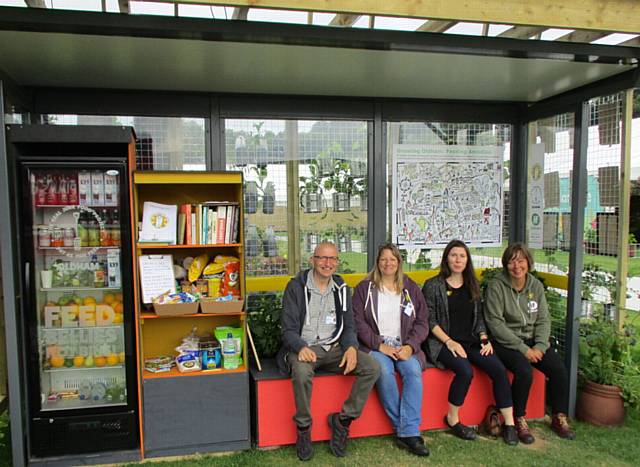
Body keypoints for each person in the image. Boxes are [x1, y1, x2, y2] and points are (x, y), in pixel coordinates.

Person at [276, 241, 380, 461]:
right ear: (313, 260)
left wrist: (351, 347)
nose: (327, 263)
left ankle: (342, 421)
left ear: (337, 262)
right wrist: (300, 347)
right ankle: (304, 428)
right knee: (302, 372)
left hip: (333, 348)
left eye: (332, 259)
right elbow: (287, 329)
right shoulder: (296, 287)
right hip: (304, 348)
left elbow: (349, 326)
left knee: (371, 367)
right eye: (322, 258)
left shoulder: (341, 289)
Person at [421, 240, 518, 445]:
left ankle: (509, 424)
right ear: (446, 257)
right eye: (454, 255)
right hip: (442, 343)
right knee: (465, 371)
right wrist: (449, 342)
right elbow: (429, 320)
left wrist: (484, 338)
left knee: (498, 369)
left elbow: (479, 318)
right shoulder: (433, 285)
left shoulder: (472, 284)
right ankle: (453, 419)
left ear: (467, 260)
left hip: (471, 341)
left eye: (462, 256)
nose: (458, 260)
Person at [484, 242, 575, 444]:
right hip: (507, 342)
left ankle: (558, 416)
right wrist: (523, 349)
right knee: (524, 371)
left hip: (535, 342)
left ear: (528, 262)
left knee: (559, 369)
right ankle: (519, 418)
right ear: (505, 264)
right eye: (511, 261)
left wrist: (540, 346)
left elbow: (544, 319)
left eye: (521, 261)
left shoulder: (535, 285)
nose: (517, 266)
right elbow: (495, 324)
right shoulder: (496, 286)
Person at [353, 243, 430, 457]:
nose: (388, 263)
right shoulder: (364, 288)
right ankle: (408, 432)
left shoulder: (410, 288)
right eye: (384, 259)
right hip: (375, 344)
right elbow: (358, 322)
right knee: (384, 371)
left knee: (412, 371)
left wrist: (410, 346)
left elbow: (422, 322)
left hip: (404, 344)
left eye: (392, 259)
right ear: (377, 262)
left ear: (399, 263)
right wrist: (380, 345)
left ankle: (405, 432)